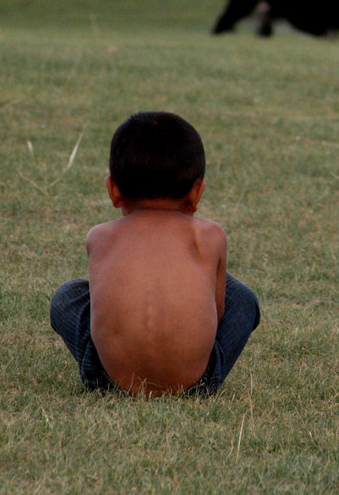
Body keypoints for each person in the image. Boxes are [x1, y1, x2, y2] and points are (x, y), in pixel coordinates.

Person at [50, 111, 259, 396]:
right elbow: (217, 313)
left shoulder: (100, 237)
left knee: (67, 296)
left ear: (113, 190)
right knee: (243, 299)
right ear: (196, 193)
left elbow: (103, 305)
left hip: (111, 379)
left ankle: (101, 380)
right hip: (196, 384)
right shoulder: (208, 237)